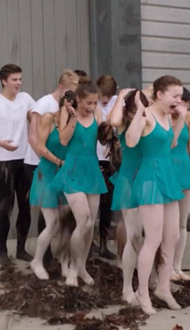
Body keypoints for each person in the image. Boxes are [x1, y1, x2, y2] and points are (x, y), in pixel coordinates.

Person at [126, 75, 186, 315]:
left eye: (180, 96)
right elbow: (130, 142)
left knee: (172, 236)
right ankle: (142, 292)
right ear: (160, 94)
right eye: (175, 95)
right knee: (152, 239)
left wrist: (179, 120)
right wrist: (139, 114)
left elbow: (170, 145)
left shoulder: (167, 116)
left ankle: (163, 287)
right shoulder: (147, 115)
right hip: (149, 178)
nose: (179, 100)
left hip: (167, 175)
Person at [51, 77, 107, 286]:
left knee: (91, 224)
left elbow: (102, 136)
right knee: (82, 221)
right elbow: (63, 140)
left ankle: (82, 267)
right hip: (73, 169)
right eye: (89, 103)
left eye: (95, 103)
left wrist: (110, 133)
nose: (92, 107)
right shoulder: (68, 112)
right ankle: (72, 269)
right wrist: (74, 117)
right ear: (79, 99)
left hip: (91, 168)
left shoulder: (97, 114)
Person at [0, 64, 36, 265]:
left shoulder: (26, 99)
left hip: (25, 159)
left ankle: (21, 249)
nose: (18, 83)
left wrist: (36, 140)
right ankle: (2, 251)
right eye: (14, 79)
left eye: (20, 79)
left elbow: (35, 121)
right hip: (4, 160)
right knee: (6, 205)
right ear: (4, 81)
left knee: (25, 204)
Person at [24, 69, 79, 266]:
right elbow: (34, 136)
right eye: (71, 91)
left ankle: (54, 256)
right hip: (42, 162)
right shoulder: (44, 105)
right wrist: (50, 160)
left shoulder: (68, 110)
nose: (74, 96)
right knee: (48, 215)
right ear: (62, 87)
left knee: (59, 216)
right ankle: (43, 257)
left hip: (58, 164)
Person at [29, 92, 75, 280]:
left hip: (66, 175)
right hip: (48, 173)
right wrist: (58, 162)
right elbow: (40, 146)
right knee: (52, 222)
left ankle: (64, 261)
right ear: (65, 103)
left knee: (67, 223)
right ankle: (37, 261)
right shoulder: (49, 118)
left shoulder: (74, 124)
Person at [108, 88, 148, 304]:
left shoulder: (148, 119)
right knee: (133, 236)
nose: (137, 114)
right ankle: (126, 288)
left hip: (149, 178)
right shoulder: (124, 122)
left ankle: (144, 284)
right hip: (130, 180)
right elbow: (113, 121)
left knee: (148, 238)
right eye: (132, 110)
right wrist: (121, 97)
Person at [171, 87, 190, 281]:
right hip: (167, 167)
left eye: (186, 105)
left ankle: (177, 265)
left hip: (183, 167)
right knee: (169, 223)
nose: (183, 108)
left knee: (182, 223)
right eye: (181, 103)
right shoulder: (163, 116)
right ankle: (165, 265)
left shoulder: (188, 117)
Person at [94, 74, 120, 260]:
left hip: (109, 158)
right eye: (102, 96)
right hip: (92, 157)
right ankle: (89, 244)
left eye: (108, 97)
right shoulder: (91, 102)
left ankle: (103, 243)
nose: (105, 100)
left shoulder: (117, 102)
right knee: (90, 203)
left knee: (107, 203)